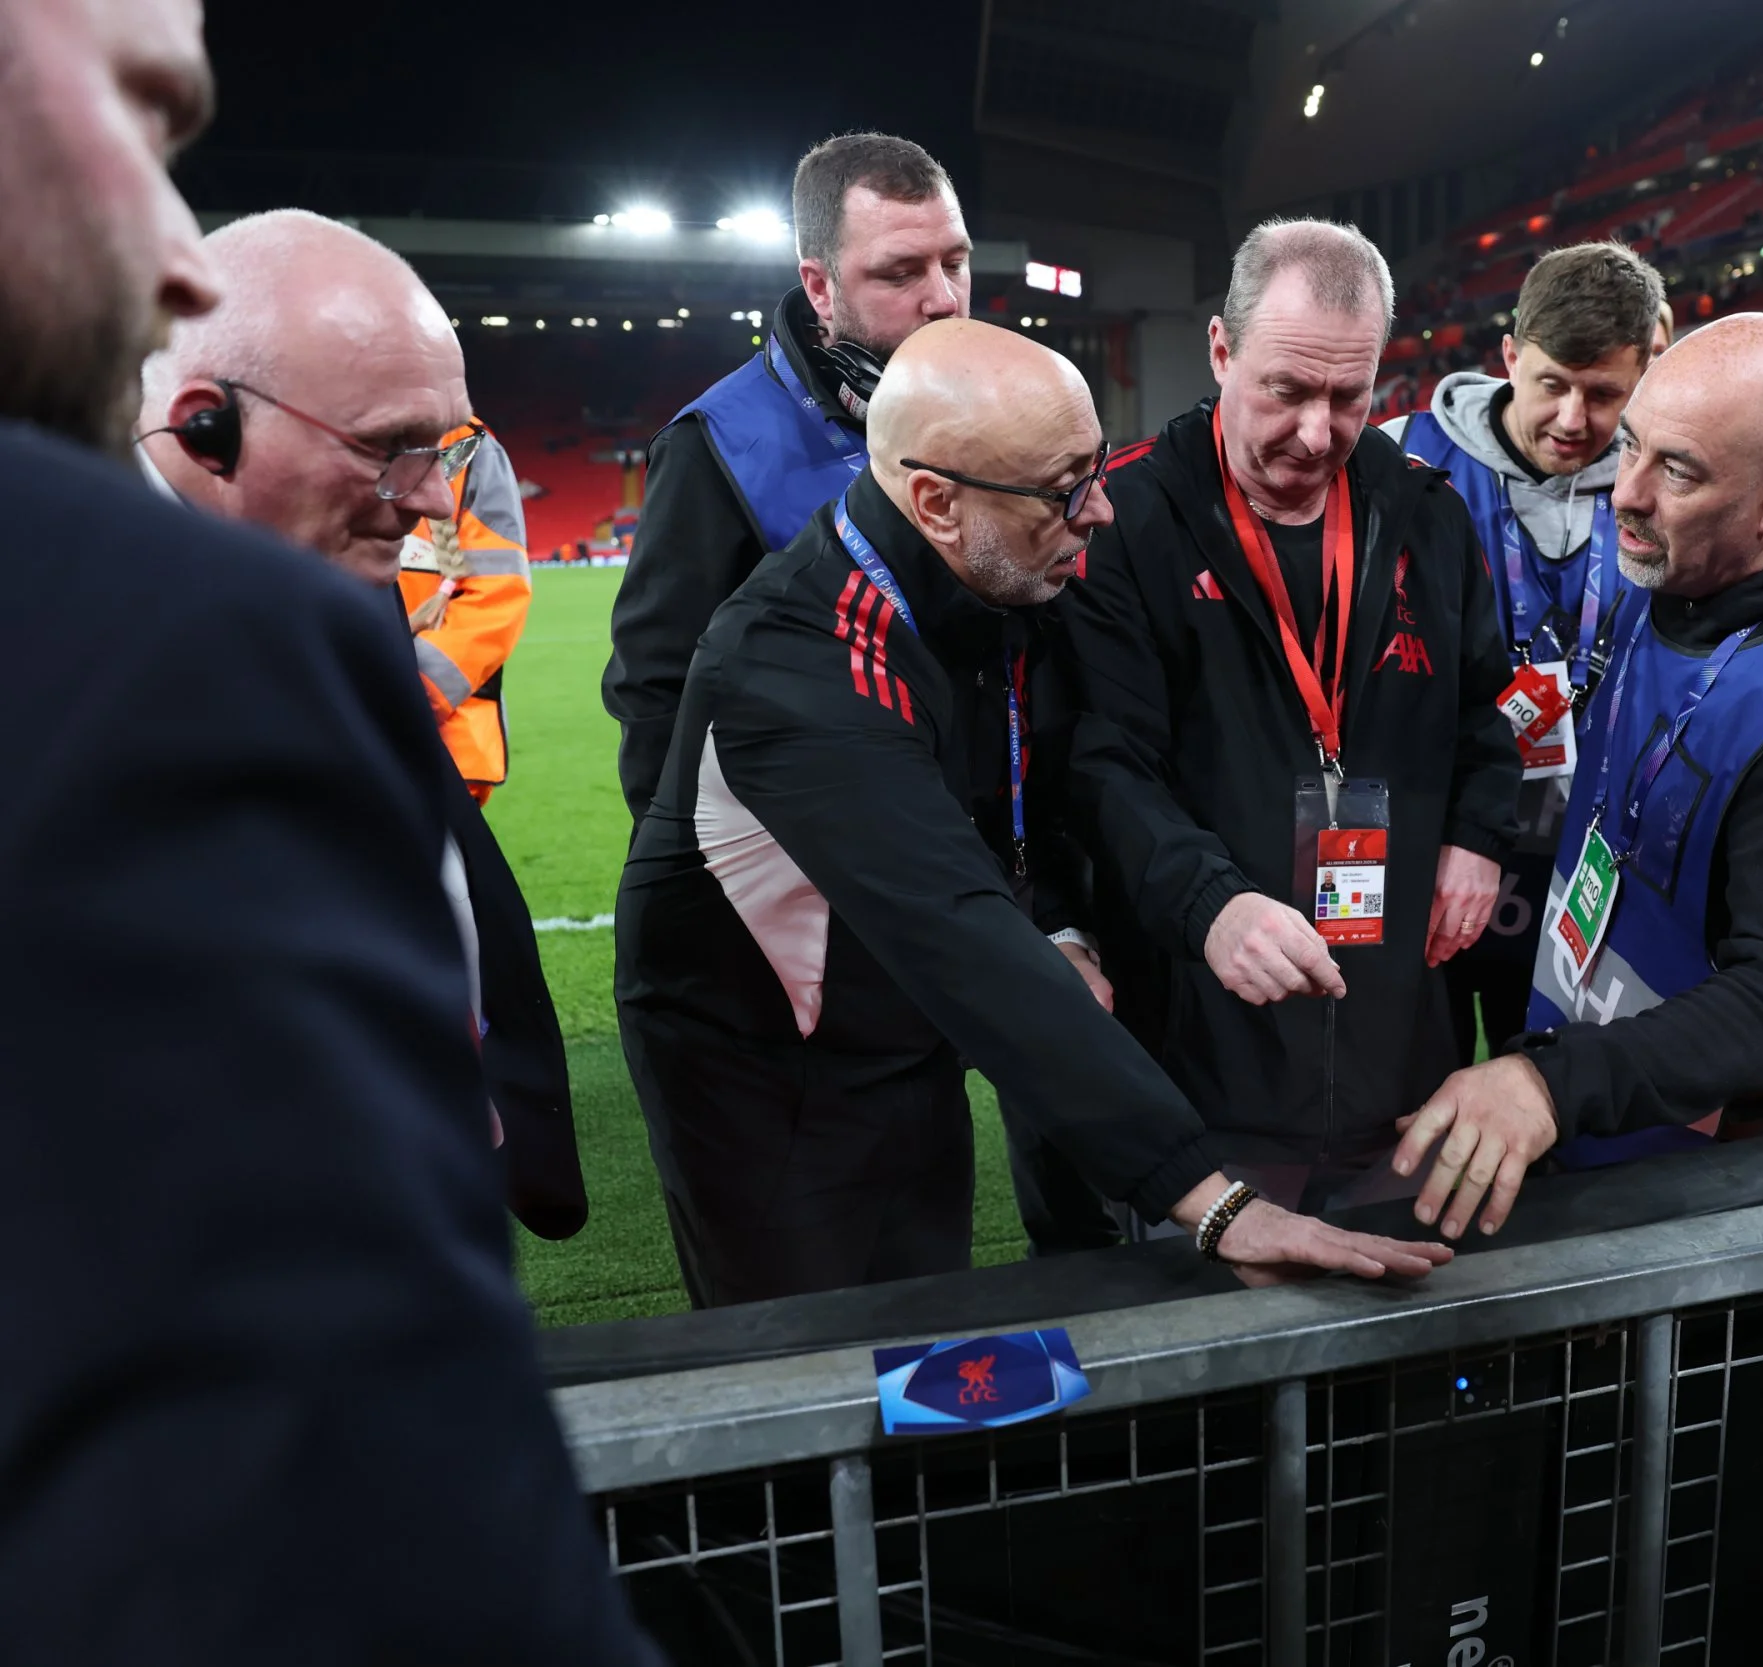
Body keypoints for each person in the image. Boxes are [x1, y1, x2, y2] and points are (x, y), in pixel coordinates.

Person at [0, 1, 647, 1656]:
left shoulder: (273, 631)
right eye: (147, 131)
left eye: (450, 458)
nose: (172, 247)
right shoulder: (182, 648)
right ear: (201, 424)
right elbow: (336, 1421)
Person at [613, 317, 1449, 1303]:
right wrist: (1218, 1201)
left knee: (922, 1312)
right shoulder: (793, 669)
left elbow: (1058, 781)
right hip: (762, 1066)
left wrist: (1096, 909)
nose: (1099, 511)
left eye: (1096, 469)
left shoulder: (989, 580)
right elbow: (964, 939)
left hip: (894, 1026)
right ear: (934, 500)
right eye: (1065, 489)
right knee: (812, 1361)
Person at [1390, 314, 1763, 1240]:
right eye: (1630, 444)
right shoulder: (1676, 575)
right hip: (1607, 1132)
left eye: (1676, 469)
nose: (1623, 493)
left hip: (1711, 1201)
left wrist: (1548, 1082)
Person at [136, 208, 587, 1242]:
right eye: (391, 450)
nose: (433, 500)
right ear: (208, 429)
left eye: (442, 450)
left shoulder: (325, 540)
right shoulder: (57, 620)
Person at [1061, 219, 1520, 1216]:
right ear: (1221, 352)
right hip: (1204, 1056)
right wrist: (1209, 902)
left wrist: (1479, 835)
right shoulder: (1127, 522)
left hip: (1403, 1058)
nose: (1316, 432)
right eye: (1285, 389)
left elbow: (1494, 708)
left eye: (1347, 398)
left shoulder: (1427, 514)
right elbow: (1100, 763)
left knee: (1397, 1334)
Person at [603, 131, 969, 827]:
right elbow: (658, 696)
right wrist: (693, 889)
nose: (945, 299)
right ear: (820, 287)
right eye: (901, 273)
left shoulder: (993, 410)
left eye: (955, 262)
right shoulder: (715, 446)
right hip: (826, 874)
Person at [1380, 242, 1664, 1063]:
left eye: (1605, 393)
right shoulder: (1402, 456)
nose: (1573, 420)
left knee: (1550, 1106)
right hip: (1428, 846)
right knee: (1407, 1103)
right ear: (1510, 357)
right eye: (1552, 385)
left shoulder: (1665, 484)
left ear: (1645, 372)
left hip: (1586, 862)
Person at [399, 428, 532, 803]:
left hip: (440, 749)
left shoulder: (470, 443)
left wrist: (409, 693)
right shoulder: (303, 415)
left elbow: (496, 593)